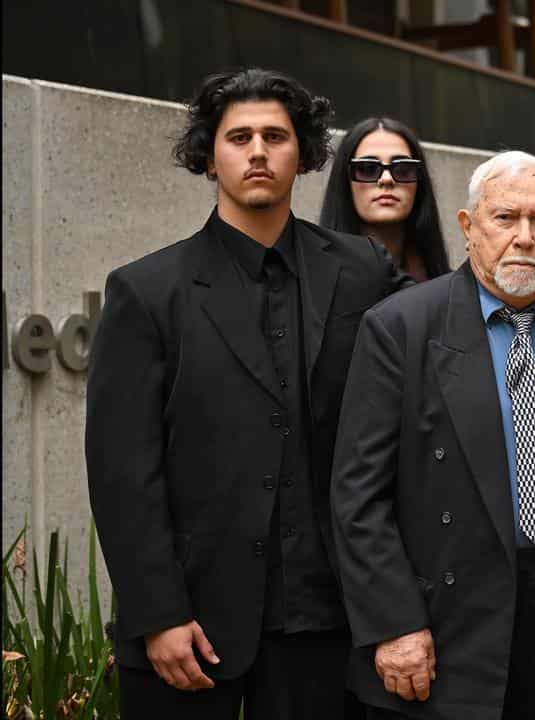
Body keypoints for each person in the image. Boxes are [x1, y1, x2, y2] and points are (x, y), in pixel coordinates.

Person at [86, 68, 410, 720]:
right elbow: (124, 473)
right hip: (190, 623)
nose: (257, 151)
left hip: (324, 620)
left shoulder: (361, 270)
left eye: (274, 135)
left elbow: (448, 327)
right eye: (238, 137)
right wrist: (158, 614)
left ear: (306, 152)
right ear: (210, 154)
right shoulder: (145, 292)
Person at [329, 151, 535, 719]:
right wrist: (395, 623)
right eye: (505, 218)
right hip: (444, 624)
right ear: (468, 227)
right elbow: (358, 496)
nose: (524, 238)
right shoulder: (400, 327)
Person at [319, 117, 451, 282]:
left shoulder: (449, 291)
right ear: (345, 182)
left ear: (419, 181)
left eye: (403, 169)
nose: (387, 179)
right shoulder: (311, 281)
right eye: (368, 169)